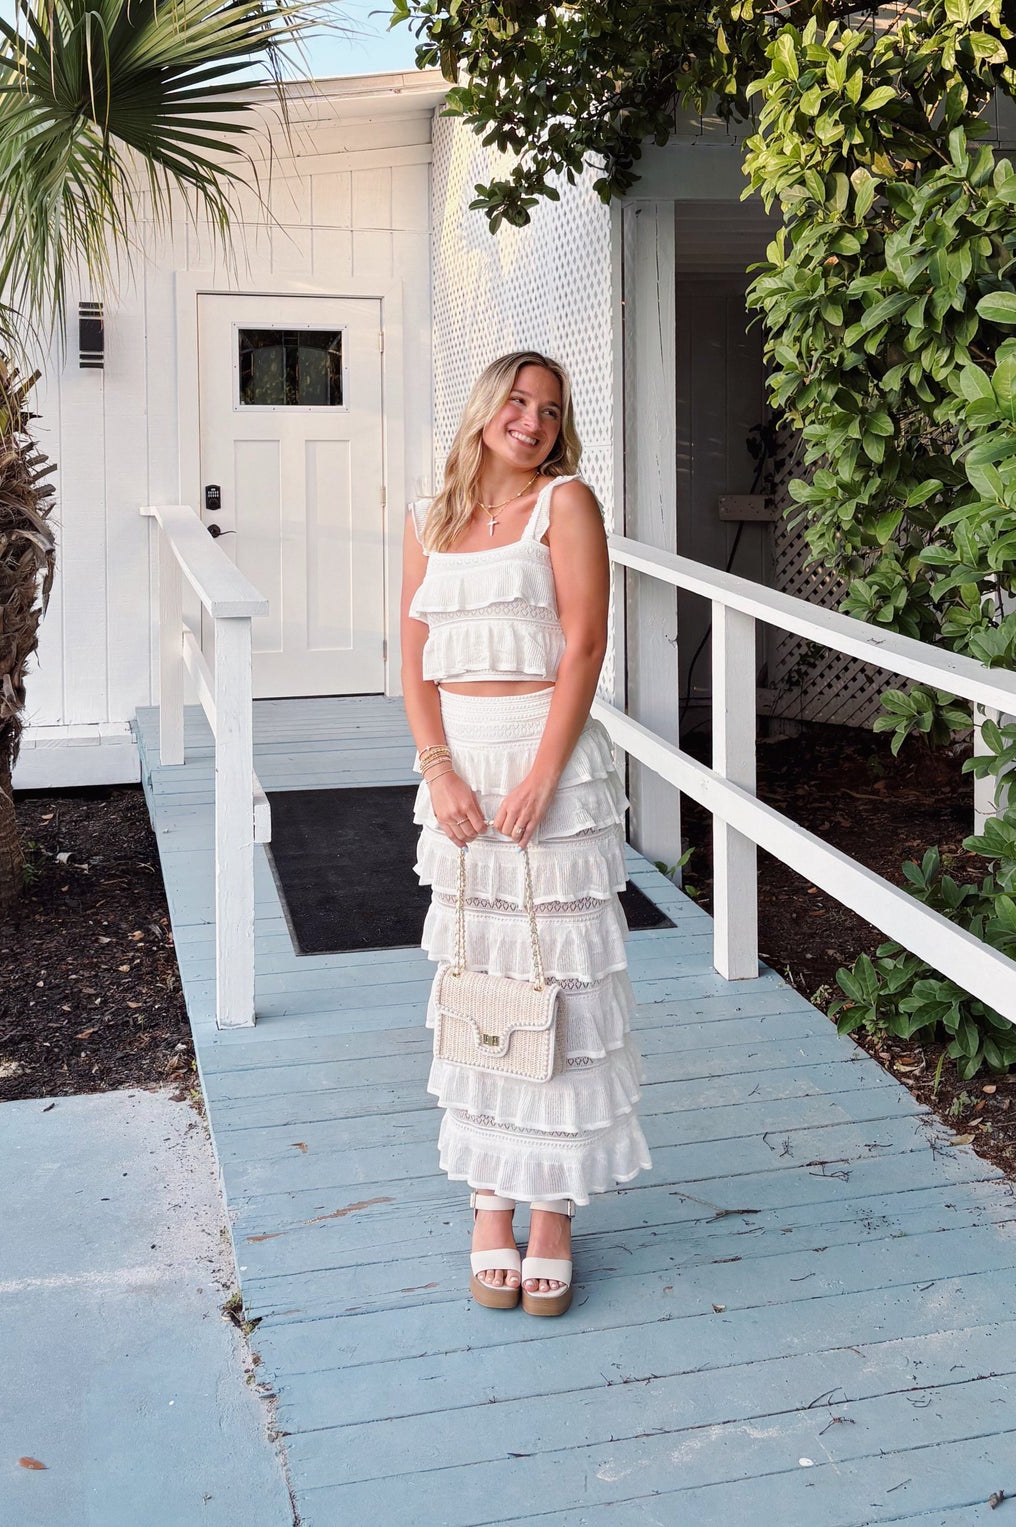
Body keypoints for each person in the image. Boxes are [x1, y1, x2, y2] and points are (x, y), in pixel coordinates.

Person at [401, 350, 650, 1317]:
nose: (532, 419)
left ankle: (551, 1210)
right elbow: (415, 666)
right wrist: (438, 770)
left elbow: (584, 642)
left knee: (563, 987)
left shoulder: (566, 504)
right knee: (474, 985)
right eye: (517, 399)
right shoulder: (428, 519)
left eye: (549, 408)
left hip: (550, 772)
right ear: (484, 407)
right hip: (458, 779)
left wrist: (544, 773)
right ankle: (487, 1200)